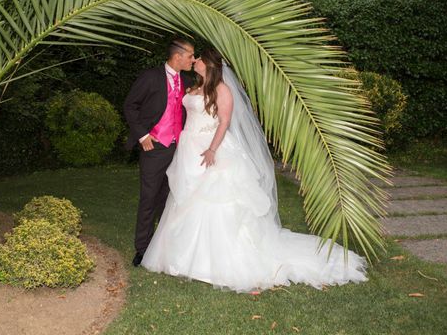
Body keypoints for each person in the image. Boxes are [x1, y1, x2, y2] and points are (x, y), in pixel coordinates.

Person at [141, 48, 367, 292]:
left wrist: (212, 149)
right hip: (188, 148)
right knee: (184, 199)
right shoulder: (192, 86)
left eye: (198, 59)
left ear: (209, 64)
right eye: (193, 58)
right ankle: (181, 257)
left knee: (216, 200)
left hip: (210, 149)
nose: (194, 61)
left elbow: (225, 121)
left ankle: (214, 262)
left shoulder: (222, 90)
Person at [124, 39, 195, 267]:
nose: (193, 60)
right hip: (154, 147)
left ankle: (162, 245)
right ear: (178, 57)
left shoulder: (187, 80)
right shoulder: (150, 77)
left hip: (178, 148)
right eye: (190, 56)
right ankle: (142, 248)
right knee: (149, 198)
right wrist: (143, 135)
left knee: (168, 198)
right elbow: (130, 105)